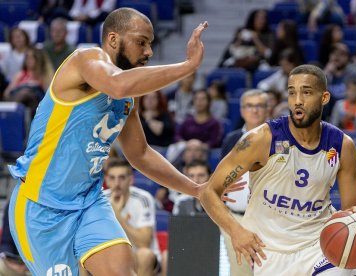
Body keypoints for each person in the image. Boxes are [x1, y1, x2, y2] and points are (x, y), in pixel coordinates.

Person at [7, 8, 209, 276]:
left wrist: (195, 189)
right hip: (41, 206)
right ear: (113, 40)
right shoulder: (85, 59)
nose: (148, 52)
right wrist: (187, 66)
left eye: (150, 44)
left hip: (88, 201)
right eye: (141, 42)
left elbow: (140, 154)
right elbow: (116, 84)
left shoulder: (128, 97)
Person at [200, 64, 356, 275]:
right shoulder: (260, 139)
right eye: (291, 92)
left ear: (324, 98)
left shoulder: (342, 145)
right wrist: (236, 231)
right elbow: (208, 192)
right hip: (269, 251)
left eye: (306, 92)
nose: (297, 100)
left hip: (318, 244)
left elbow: (352, 209)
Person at [220, 89, 268, 276]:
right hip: (236, 219)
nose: (254, 110)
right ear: (241, 111)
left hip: (269, 220)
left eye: (259, 106)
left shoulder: (280, 140)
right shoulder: (231, 140)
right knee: (239, 271)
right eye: (249, 106)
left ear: (267, 109)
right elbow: (217, 180)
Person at [103, 158, 162, 276]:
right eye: (112, 178)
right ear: (106, 180)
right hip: (110, 254)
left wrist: (118, 217)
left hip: (137, 257)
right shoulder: (101, 199)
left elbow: (144, 243)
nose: (117, 183)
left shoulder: (143, 198)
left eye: (122, 177)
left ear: (130, 180)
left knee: (145, 255)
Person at [0, 202, 30, 276]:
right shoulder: (13, 204)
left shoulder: (52, 206)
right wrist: (7, 259)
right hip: (17, 262)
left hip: (41, 262)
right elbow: (6, 241)